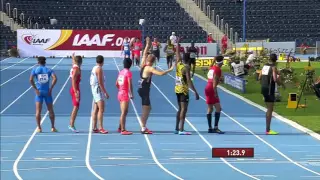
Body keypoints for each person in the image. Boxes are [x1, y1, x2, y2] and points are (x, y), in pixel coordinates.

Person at [138, 37, 174, 134]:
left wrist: (147, 44)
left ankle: (143, 125)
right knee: (146, 108)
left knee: (147, 108)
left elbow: (144, 54)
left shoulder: (143, 64)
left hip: (142, 89)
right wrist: (170, 70)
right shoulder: (149, 68)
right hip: (144, 90)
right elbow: (161, 74)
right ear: (153, 62)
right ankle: (143, 127)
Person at [175, 39, 200, 135]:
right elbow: (189, 81)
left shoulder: (178, 64)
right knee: (184, 110)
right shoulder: (186, 68)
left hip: (177, 89)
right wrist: (195, 92)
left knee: (179, 109)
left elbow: (177, 54)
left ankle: (177, 128)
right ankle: (181, 129)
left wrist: (177, 43)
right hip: (184, 91)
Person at [29, 56, 57, 133]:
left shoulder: (35, 69)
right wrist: (51, 88)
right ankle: (53, 127)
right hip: (47, 92)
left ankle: (39, 128)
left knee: (38, 111)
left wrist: (35, 89)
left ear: (38, 62)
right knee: (50, 110)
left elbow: (31, 79)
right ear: (45, 62)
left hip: (39, 92)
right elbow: (55, 78)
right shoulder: (49, 70)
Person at [260, 54, 285, 135]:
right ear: (276, 60)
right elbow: (275, 78)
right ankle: (268, 130)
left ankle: (268, 129)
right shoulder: (274, 67)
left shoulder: (264, 66)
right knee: (270, 109)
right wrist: (281, 84)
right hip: (269, 89)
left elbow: (259, 77)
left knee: (269, 108)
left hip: (263, 88)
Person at [90, 55, 110, 134]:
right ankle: (101, 127)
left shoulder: (94, 68)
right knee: (101, 109)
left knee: (96, 109)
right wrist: (105, 92)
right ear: (103, 62)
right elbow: (100, 82)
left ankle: (94, 127)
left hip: (94, 89)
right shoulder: (99, 69)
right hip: (98, 90)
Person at [205, 56, 225, 133]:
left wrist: (214, 59)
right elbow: (214, 84)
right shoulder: (217, 70)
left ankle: (210, 128)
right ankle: (216, 127)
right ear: (221, 62)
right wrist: (216, 93)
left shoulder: (212, 68)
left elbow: (210, 66)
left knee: (210, 108)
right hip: (212, 89)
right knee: (218, 108)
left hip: (207, 87)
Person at [116, 58, 134, 135]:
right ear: (130, 65)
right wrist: (131, 93)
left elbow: (116, 83)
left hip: (120, 93)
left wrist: (121, 89)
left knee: (124, 112)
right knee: (124, 112)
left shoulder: (121, 72)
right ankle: (123, 130)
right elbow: (130, 84)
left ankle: (120, 127)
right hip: (124, 94)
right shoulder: (128, 73)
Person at [69, 53, 82, 133]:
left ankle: (71, 124)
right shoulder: (76, 69)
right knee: (76, 107)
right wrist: (76, 91)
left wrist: (72, 57)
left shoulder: (74, 66)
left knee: (76, 107)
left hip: (74, 89)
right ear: (81, 62)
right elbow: (73, 79)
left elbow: (74, 62)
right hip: (75, 89)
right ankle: (71, 124)